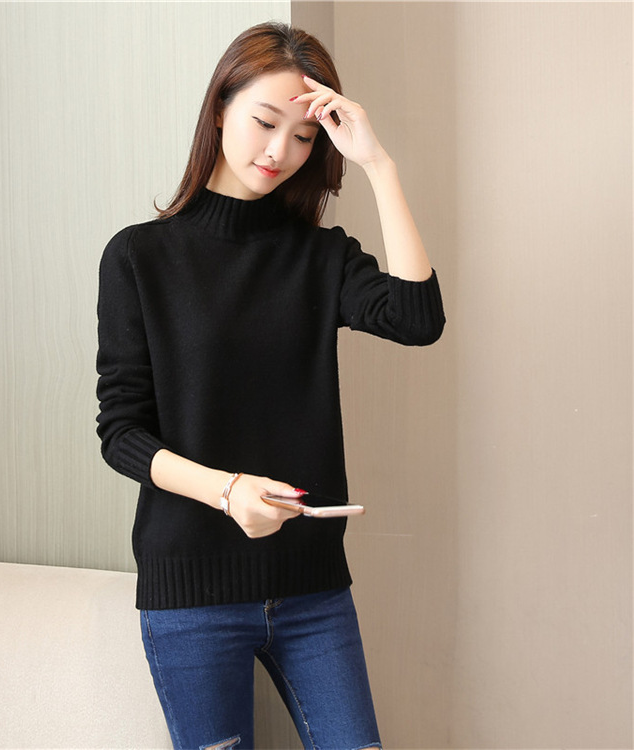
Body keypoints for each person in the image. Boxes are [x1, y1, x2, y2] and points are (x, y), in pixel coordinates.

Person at [96, 21, 445, 750]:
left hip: (312, 590)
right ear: (220, 107)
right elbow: (122, 434)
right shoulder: (138, 257)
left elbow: (418, 320)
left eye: (303, 136)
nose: (279, 151)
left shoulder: (321, 258)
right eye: (263, 122)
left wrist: (379, 165)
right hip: (191, 593)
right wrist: (228, 492)